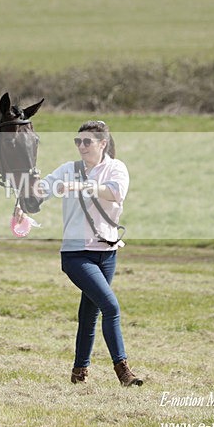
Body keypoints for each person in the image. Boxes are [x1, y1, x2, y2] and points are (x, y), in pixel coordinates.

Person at [34, 120, 143, 387]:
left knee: (89, 314)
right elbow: (42, 190)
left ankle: (79, 373)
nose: (81, 147)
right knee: (111, 306)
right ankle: (123, 371)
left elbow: (115, 194)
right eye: (78, 142)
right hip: (76, 254)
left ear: (102, 143)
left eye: (87, 142)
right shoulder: (67, 170)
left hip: (107, 252)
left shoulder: (116, 168)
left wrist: (81, 187)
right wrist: (28, 188)